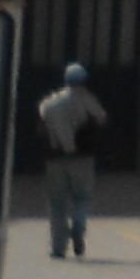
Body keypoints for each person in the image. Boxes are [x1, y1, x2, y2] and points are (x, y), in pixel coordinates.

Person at [35, 63, 105, 259]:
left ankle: (58, 247)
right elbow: (101, 119)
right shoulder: (87, 100)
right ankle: (78, 226)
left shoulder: (49, 103)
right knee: (82, 197)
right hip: (82, 158)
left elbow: (41, 127)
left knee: (57, 203)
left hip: (55, 158)